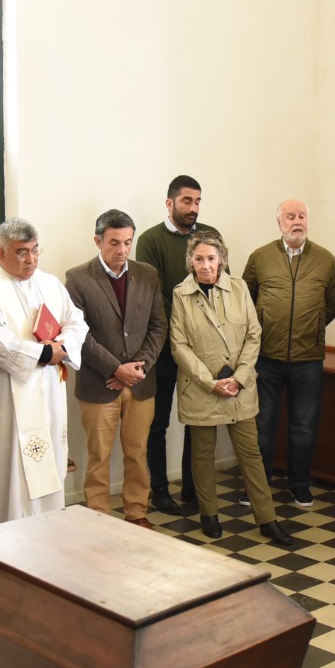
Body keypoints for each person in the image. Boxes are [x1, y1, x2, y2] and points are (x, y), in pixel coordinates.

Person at [170, 232, 291, 546]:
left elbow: (254, 335)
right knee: (202, 455)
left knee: (251, 455)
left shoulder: (239, 288)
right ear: (191, 262)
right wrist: (210, 382)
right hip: (201, 389)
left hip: (240, 387)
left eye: (211, 258)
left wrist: (237, 377)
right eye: (199, 259)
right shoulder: (181, 294)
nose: (206, 265)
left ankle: (267, 519)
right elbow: (179, 345)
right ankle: (209, 515)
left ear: (221, 259)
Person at [0, 218, 88, 524]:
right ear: (0, 253)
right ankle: (10, 547)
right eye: (21, 252)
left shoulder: (49, 283)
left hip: (48, 395)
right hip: (9, 399)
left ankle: (50, 537)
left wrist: (61, 344)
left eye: (35, 250)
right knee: (15, 477)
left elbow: (77, 321)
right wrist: (48, 352)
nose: (31, 260)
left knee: (51, 467)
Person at [65, 209, 166, 530]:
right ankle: (99, 519)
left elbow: (158, 325)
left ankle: (137, 512)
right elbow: (78, 333)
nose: (122, 250)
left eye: (127, 242)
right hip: (99, 384)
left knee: (137, 454)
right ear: (98, 241)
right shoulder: (78, 278)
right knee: (99, 457)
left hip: (140, 383)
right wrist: (115, 368)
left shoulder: (147, 274)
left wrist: (140, 366)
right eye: (114, 243)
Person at [243, 199, 335, 508]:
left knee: (303, 428)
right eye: (290, 216)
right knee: (262, 425)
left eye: (301, 216)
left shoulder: (325, 260)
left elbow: (333, 303)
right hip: (266, 358)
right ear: (279, 222)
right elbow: (246, 299)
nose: (297, 221)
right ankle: (257, 487)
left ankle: (300, 486)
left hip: (308, 359)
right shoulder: (260, 257)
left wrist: (312, 327)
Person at [134, 176, 220, 516]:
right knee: (159, 422)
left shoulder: (209, 237)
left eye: (197, 201)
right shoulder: (150, 240)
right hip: (165, 349)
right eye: (187, 201)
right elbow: (154, 298)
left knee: (197, 419)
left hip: (204, 349)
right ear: (169, 203)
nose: (193, 208)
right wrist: (182, 335)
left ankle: (193, 487)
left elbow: (217, 285)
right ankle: (159, 490)